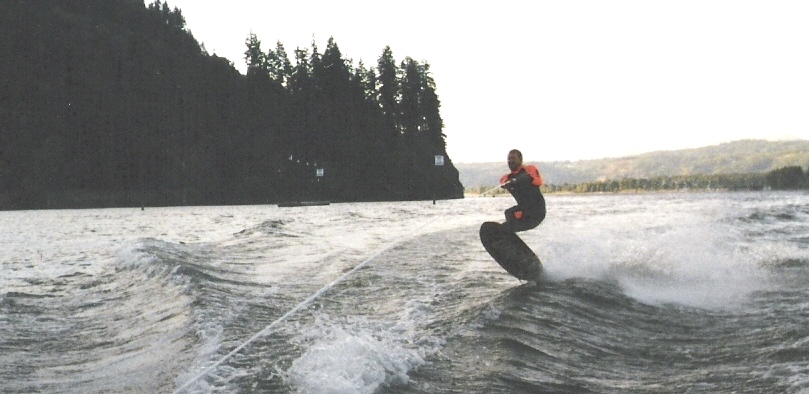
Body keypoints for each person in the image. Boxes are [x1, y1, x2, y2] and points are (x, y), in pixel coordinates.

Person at [500, 149, 546, 232]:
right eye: (509, 159)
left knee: (509, 215)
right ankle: (506, 235)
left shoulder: (529, 169)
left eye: (513, 158)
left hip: (537, 211)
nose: (510, 161)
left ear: (520, 160)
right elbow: (502, 182)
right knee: (508, 215)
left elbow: (539, 181)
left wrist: (525, 179)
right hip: (524, 210)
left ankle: (509, 234)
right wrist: (509, 183)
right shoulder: (508, 178)